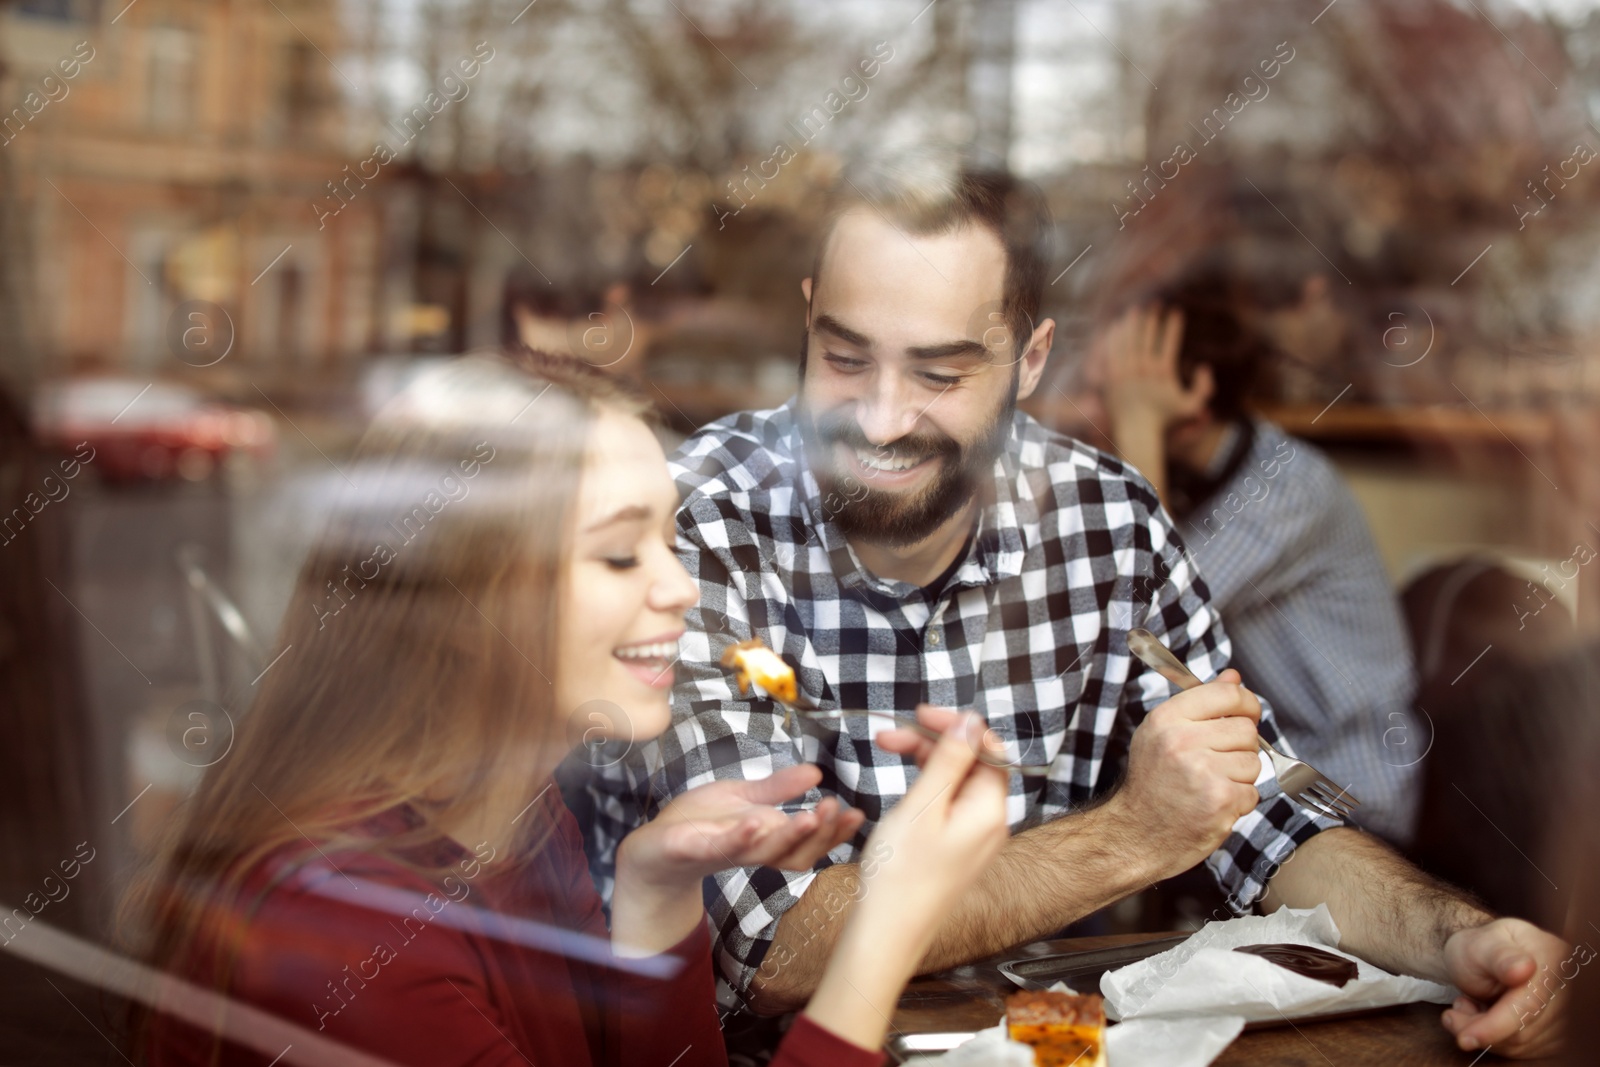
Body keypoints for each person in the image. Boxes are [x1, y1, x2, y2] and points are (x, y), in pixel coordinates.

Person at [580, 151, 1569, 1058]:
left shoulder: (1107, 517)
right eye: (844, 357)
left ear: (1032, 359)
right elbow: (767, 944)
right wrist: (1134, 833)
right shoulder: (699, 523)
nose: (880, 417)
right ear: (807, 320)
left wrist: (1466, 938)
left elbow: (1269, 818)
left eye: (938, 372)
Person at [120, 350, 1010, 1066]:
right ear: (466, 597)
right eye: (621, 554)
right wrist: (886, 926)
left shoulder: (513, 814)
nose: (680, 588)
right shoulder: (348, 936)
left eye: (670, 537)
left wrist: (657, 893)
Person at [1088, 271, 1421, 844]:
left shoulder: (1285, 487)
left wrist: (1138, 423)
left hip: (1346, 798)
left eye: (1113, 396)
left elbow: (1147, 619)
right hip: (1265, 776)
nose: (1093, 415)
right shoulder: (1192, 479)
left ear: (1190, 410)